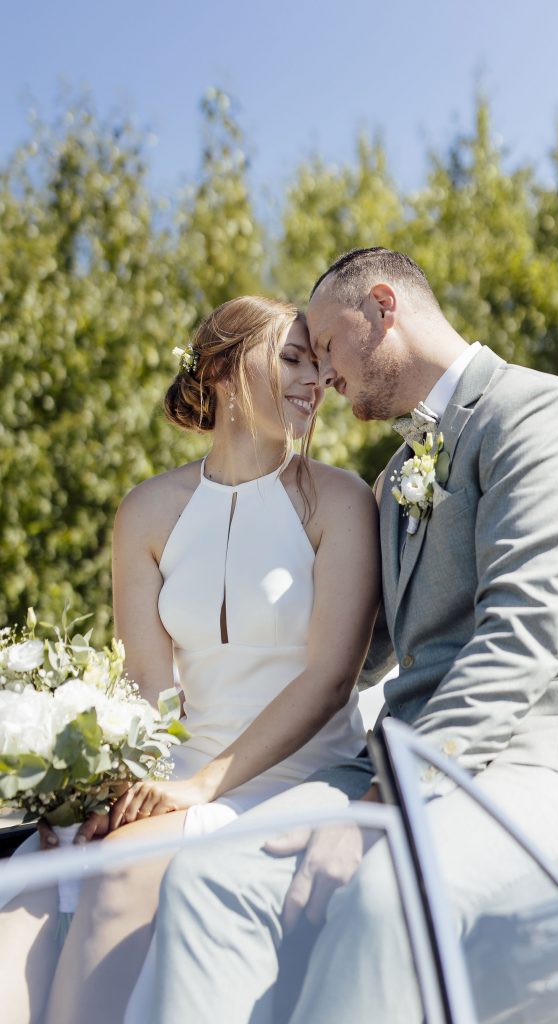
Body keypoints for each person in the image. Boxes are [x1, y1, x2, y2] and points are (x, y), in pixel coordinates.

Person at [147, 248, 558, 1023]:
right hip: (405, 758)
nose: (323, 375)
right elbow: (352, 655)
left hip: (555, 757)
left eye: (325, 346)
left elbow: (518, 641)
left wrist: (387, 802)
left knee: (386, 894)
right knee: (209, 877)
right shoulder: (395, 475)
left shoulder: (539, 413)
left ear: (381, 307)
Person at [1, 295, 380, 1024]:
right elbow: (147, 691)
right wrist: (104, 793)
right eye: (292, 359)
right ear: (223, 372)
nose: (315, 381)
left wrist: (200, 787)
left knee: (116, 879)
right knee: (37, 881)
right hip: (179, 777)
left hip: (295, 778)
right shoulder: (145, 511)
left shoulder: (339, 502)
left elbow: (331, 678)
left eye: (318, 364)